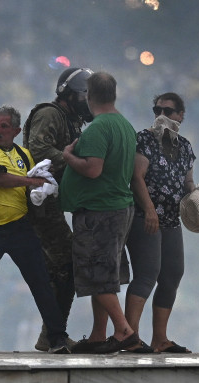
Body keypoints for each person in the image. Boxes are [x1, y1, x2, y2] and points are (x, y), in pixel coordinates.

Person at [0, 105, 71, 354]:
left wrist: (43, 189)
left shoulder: (24, 155)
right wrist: (32, 181)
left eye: (4, 126)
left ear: (16, 130)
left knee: (41, 281)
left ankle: (57, 337)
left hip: (20, 226)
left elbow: (34, 181)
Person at [59, 71, 145, 354]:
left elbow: (93, 169)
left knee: (97, 273)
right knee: (105, 274)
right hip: (119, 208)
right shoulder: (124, 125)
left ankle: (123, 331)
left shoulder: (98, 128)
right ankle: (98, 335)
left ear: (88, 96)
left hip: (100, 211)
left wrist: (69, 156)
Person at [23, 67, 94, 351]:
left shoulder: (71, 120)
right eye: (85, 95)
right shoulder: (50, 114)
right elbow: (37, 151)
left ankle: (52, 333)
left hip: (52, 202)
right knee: (67, 261)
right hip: (40, 202)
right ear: (70, 94)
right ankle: (54, 334)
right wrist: (72, 159)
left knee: (61, 268)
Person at [125, 92, 197, 354]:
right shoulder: (144, 139)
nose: (161, 116)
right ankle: (130, 336)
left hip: (170, 219)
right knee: (147, 274)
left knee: (172, 274)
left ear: (180, 116)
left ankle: (160, 339)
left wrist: (196, 195)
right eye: (157, 111)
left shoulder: (185, 147)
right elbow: (137, 177)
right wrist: (149, 209)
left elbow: (187, 181)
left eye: (168, 111)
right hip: (146, 217)